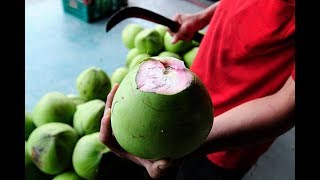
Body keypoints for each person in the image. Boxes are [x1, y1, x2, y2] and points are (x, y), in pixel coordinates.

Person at [99, 0, 295, 179]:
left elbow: (287, 106)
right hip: (192, 94)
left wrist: (189, 143)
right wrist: (203, 17)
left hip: (229, 136)